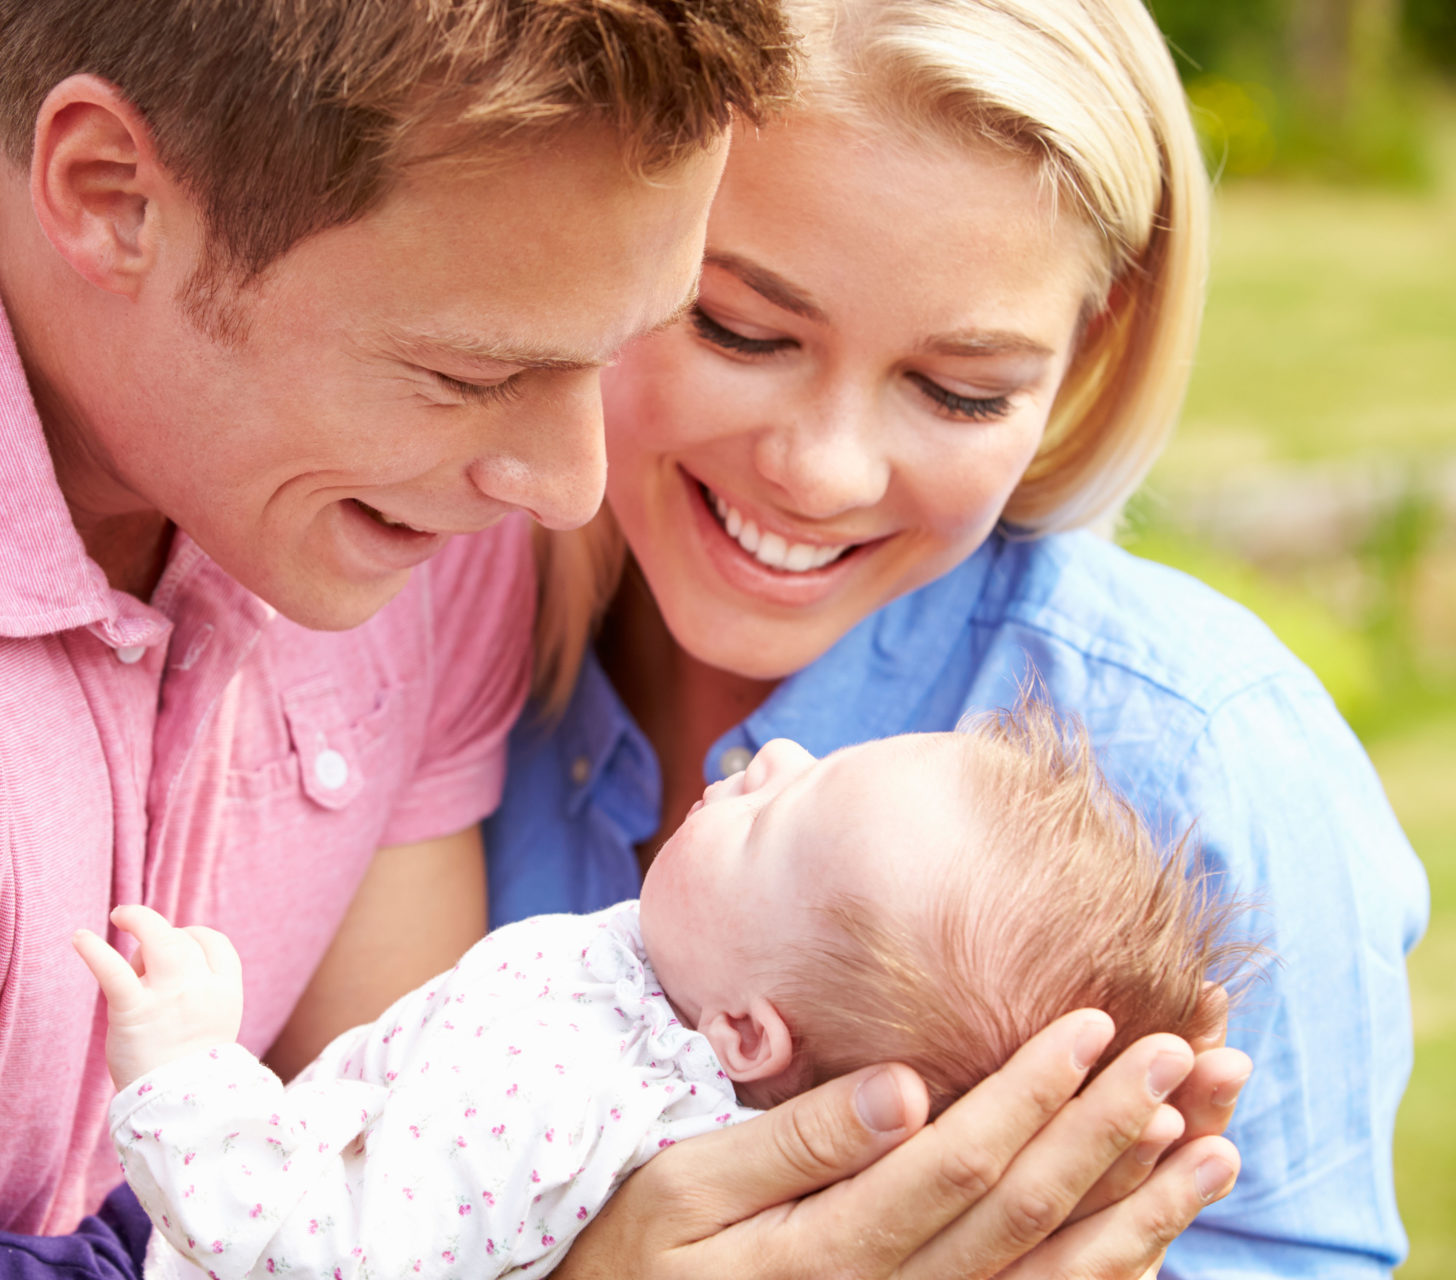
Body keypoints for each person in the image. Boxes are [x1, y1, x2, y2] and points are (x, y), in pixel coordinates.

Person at [0, 2, 792, 1274]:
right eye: (471, 373)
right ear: (110, 196)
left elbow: (396, 1186)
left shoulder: (403, 499)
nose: (570, 486)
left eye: (625, 341)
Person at [487, 0, 1432, 1275]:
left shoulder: (1201, 752)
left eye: (959, 390)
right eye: (739, 328)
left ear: (1082, 358)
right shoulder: (432, 624)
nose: (820, 472)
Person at [81, 707, 1254, 1280]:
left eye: (781, 811)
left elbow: (320, 1254)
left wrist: (188, 1069)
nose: (775, 754)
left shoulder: (573, 1095)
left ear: (746, 1032)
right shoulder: (671, 985)